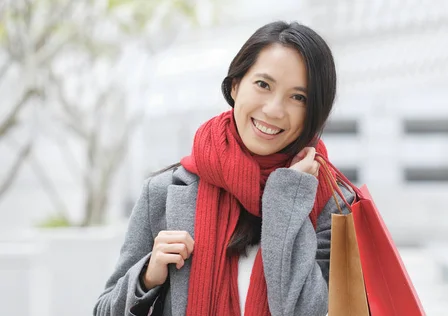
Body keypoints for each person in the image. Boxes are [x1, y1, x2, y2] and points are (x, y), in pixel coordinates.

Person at [93, 21, 353, 316]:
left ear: (315, 110)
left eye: (298, 97)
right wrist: (146, 277)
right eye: (263, 85)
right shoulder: (165, 191)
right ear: (235, 85)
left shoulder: (334, 206)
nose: (274, 109)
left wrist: (287, 199)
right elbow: (103, 310)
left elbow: (309, 311)